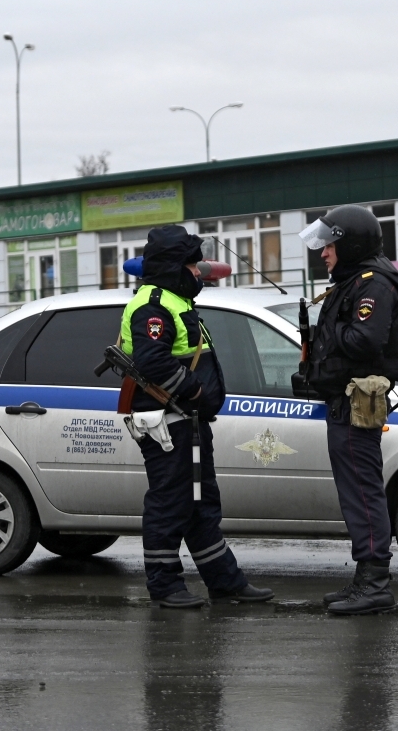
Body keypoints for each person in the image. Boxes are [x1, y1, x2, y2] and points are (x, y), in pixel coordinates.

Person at [122, 225, 273, 608]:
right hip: (168, 423)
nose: (198, 272)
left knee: (201, 503)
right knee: (169, 504)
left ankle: (225, 582)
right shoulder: (153, 305)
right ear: (174, 267)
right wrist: (195, 391)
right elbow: (153, 361)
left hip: (188, 423)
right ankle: (165, 586)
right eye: (192, 265)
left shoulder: (176, 300)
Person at [299, 205, 398, 615]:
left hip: (356, 400)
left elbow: (365, 340)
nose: (323, 252)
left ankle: (375, 584)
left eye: (330, 244)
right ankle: (366, 577)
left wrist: (329, 330)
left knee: (363, 493)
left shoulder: (373, 283)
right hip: (343, 399)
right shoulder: (354, 280)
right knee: (356, 493)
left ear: (352, 244)